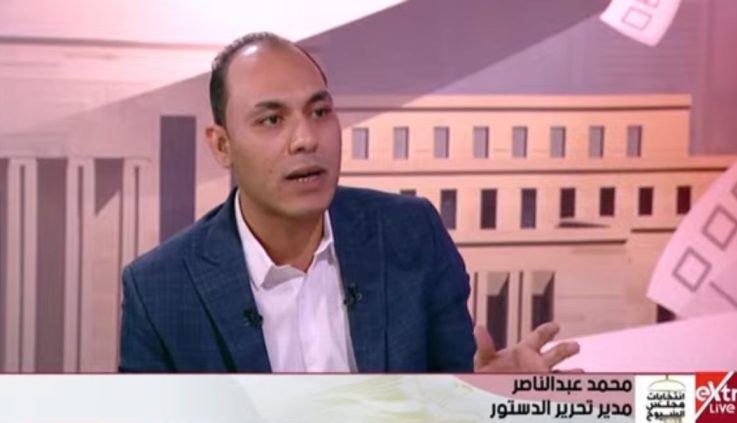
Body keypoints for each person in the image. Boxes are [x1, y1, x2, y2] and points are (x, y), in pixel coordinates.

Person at [119, 32, 580, 374]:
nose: (306, 139)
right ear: (222, 146)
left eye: (320, 112)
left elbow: (450, 420)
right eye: (272, 119)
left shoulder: (412, 234)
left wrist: (485, 394)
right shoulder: (159, 290)